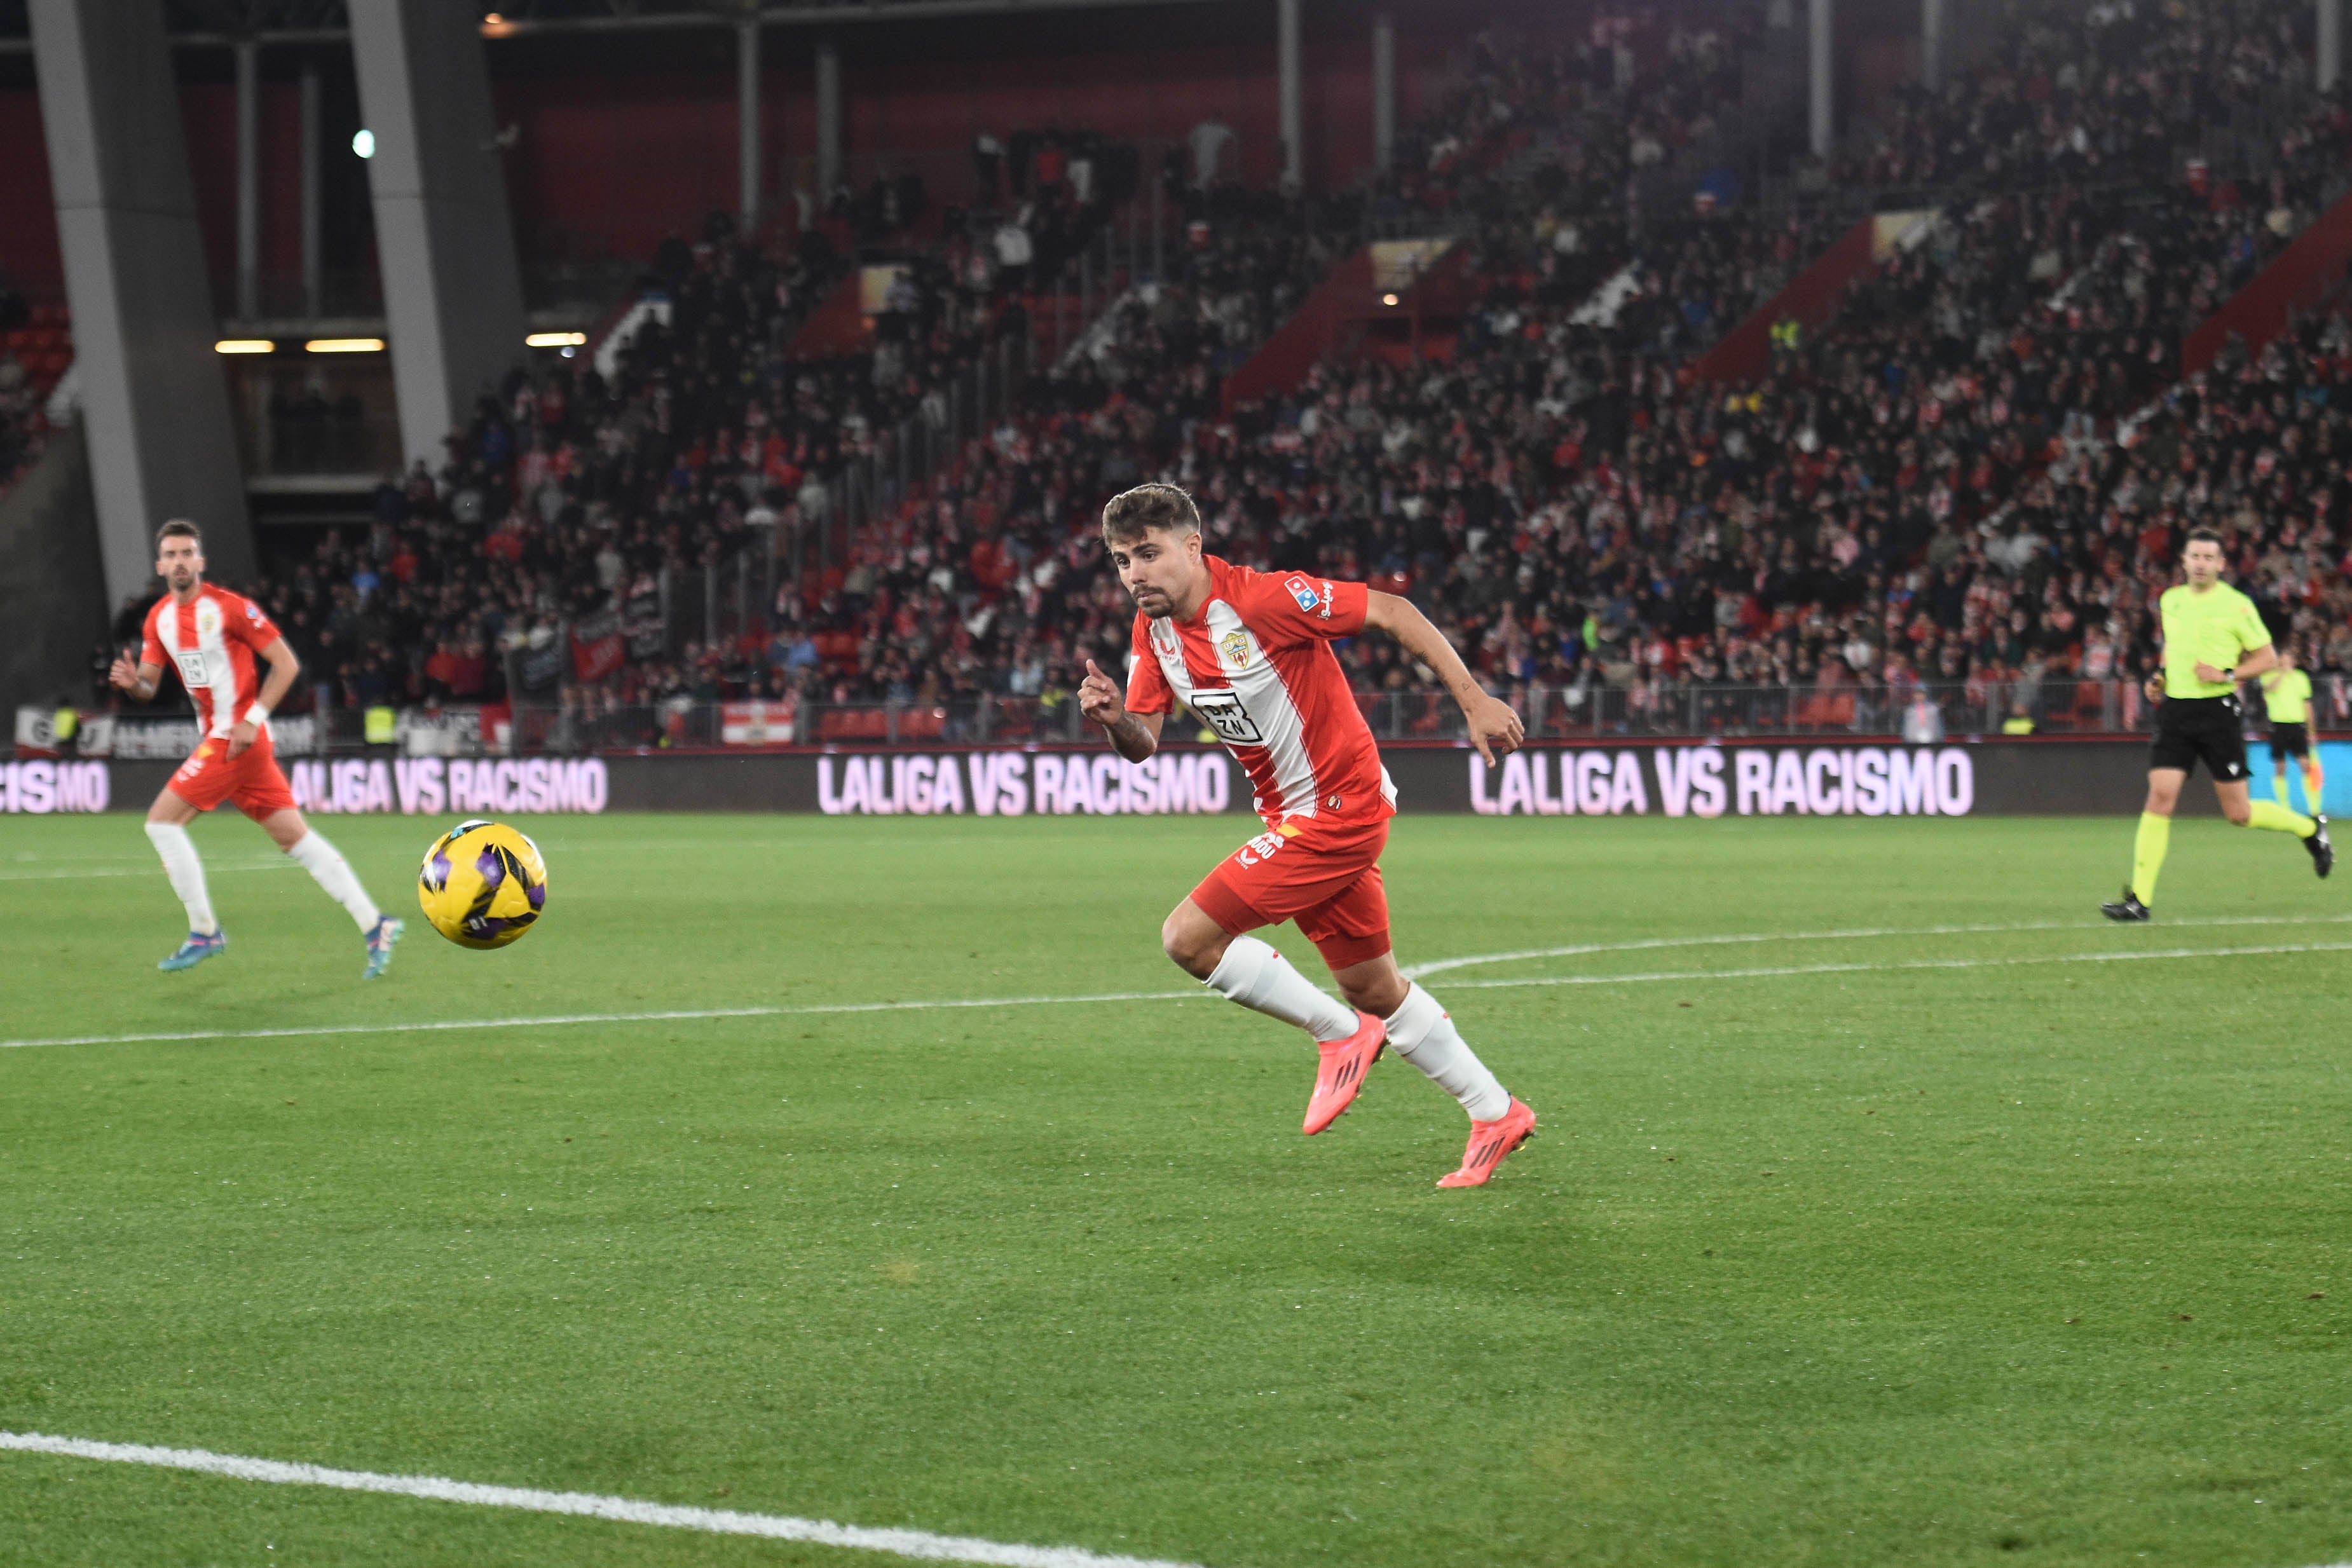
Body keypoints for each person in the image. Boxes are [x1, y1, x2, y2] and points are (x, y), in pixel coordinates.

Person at [1076, 483, 1537, 1188]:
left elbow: (1392, 609)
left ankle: (1338, 1033)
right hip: (1291, 818)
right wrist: (1113, 718)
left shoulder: (1263, 601)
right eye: (1120, 560)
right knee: (1376, 987)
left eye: (1148, 553)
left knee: (1188, 938)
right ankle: (1496, 1112)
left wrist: (1473, 700)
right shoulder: (1154, 631)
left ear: (1192, 547)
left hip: (1338, 809)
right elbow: (1145, 744)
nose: (1135, 574)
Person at [107, 519, 404, 976]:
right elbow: (149, 684)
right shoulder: (158, 618)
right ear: (160, 564)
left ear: (200, 561)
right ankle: (375, 923)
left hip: (236, 739)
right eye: (172, 554)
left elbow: (286, 664)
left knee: (162, 822)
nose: (180, 561)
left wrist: (252, 718)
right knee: (296, 839)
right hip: (227, 741)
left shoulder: (230, 608)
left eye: (188, 552)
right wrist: (135, 685)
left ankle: (204, 931)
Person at [2102, 530, 2330, 921]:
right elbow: (2173, 646)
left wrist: (2227, 674)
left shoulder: (2237, 605)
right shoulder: (2170, 600)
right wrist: (2160, 676)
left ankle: (2309, 828)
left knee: (2238, 813)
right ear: (2184, 560)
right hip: (2176, 711)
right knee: (2160, 795)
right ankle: (2139, 900)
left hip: (2218, 712)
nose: (2202, 563)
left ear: (2222, 564)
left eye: (2210, 557)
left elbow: (2268, 659)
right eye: (2196, 556)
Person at [2260, 641, 2326, 814]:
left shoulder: (2301, 678)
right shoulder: (2268, 676)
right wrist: (2281, 673)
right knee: (2280, 766)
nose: (2285, 662)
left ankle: (2314, 808)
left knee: (2305, 765)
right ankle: (2284, 806)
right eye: (2282, 660)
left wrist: (2311, 731)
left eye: (2288, 660)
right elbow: (2269, 690)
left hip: (2297, 726)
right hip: (2278, 725)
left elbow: (2307, 705)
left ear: (2294, 661)